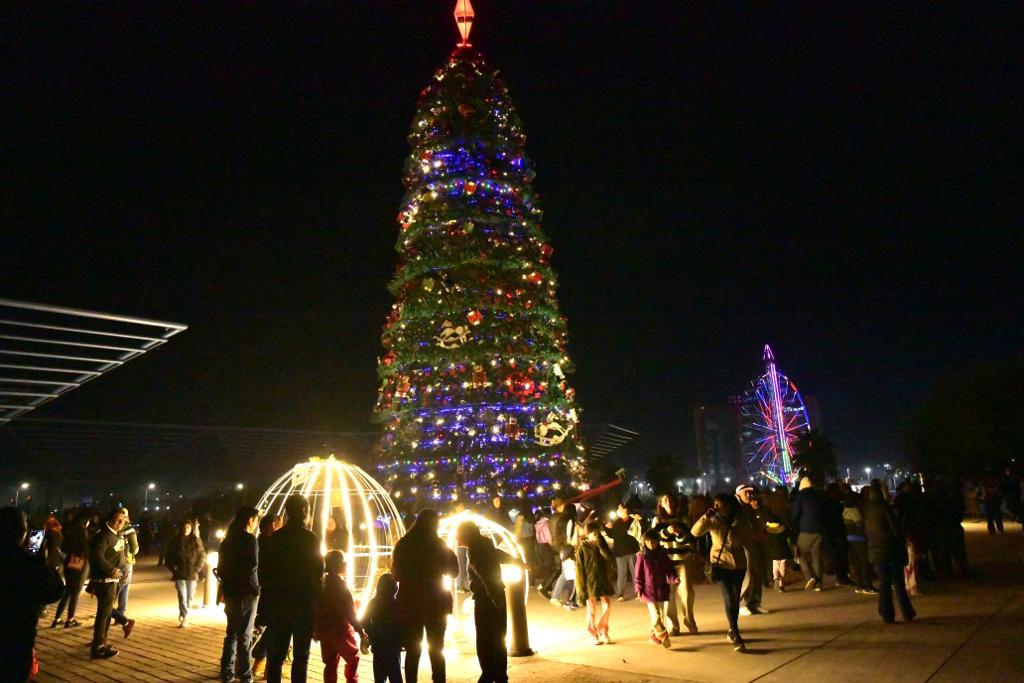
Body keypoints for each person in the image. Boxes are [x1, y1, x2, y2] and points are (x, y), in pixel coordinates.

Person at [261, 495, 325, 683]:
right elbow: (318, 571)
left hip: (279, 603)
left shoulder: (276, 537)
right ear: (305, 511)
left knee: (276, 655)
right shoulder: (310, 538)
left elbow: (265, 570)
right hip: (303, 604)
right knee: (301, 657)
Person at [392, 508, 459, 683]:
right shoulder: (439, 545)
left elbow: (396, 575)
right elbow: (454, 571)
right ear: (434, 525)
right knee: (437, 649)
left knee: (413, 650)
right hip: (435, 601)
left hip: (410, 601)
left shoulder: (404, 544)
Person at [1, 507, 64, 682]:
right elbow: (55, 591)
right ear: (21, 532)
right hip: (15, 641)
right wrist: (40, 559)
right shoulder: (28, 562)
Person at [458, 520, 517, 683]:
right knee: (498, 637)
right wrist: (516, 561)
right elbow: (497, 554)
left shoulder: (475, 550)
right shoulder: (484, 543)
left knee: (485, 640)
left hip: (486, 599)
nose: (456, 538)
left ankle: (488, 675)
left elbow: (484, 574)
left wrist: (494, 597)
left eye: (458, 534)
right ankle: (500, 675)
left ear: (466, 534)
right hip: (496, 595)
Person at [692, 493, 752, 652]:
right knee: (729, 599)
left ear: (729, 505)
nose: (716, 507)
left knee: (735, 599)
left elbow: (750, 538)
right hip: (720, 564)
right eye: (715, 504)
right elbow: (695, 532)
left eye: (719, 504)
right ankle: (736, 635)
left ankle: (732, 629)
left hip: (738, 564)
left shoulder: (740, 519)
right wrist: (705, 516)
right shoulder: (713, 520)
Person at [218, 506, 261, 683]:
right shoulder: (250, 540)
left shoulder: (227, 541)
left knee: (232, 633)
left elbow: (221, 568)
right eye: (256, 521)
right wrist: (255, 589)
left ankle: (227, 671)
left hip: (230, 591)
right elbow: (252, 567)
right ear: (250, 520)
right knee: (245, 635)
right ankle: (245, 675)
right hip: (245, 594)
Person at [864, 486, 916, 623]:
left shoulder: (866, 511)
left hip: (876, 551)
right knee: (898, 583)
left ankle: (887, 614)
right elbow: (895, 529)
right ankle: (907, 612)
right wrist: (903, 540)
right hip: (891, 550)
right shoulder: (885, 508)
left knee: (884, 584)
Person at [315, 550, 365, 683]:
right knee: (353, 658)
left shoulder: (322, 584)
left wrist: (316, 629)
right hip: (340, 631)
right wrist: (361, 631)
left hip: (326, 631)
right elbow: (350, 612)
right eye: (344, 561)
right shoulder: (340, 586)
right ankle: (351, 680)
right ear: (337, 565)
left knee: (330, 664)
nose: (346, 564)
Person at [653, 494, 700, 635]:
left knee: (686, 592)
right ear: (660, 504)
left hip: (682, 559)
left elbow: (690, 540)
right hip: (665, 562)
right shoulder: (658, 520)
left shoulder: (683, 519)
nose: (668, 502)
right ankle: (673, 625)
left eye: (670, 499)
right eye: (664, 500)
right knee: (669, 594)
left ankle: (689, 620)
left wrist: (679, 533)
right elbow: (654, 539)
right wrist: (667, 531)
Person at [89, 507, 128, 659]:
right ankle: (98, 646)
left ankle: (102, 642)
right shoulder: (103, 536)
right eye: (117, 519)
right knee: (103, 614)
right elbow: (96, 555)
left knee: (105, 613)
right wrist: (111, 570)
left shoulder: (116, 535)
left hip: (114, 580)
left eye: (123, 520)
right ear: (110, 519)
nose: (120, 522)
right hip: (106, 580)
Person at [251, 512, 282, 678]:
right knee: (273, 627)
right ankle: (262, 661)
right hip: (270, 592)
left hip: (260, 591)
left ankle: (256, 661)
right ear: (272, 526)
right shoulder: (271, 544)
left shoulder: (257, 542)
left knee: (265, 627)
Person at [633, 528, 675, 649]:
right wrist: (638, 589)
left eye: (653, 541)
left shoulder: (662, 554)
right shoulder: (642, 556)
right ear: (644, 542)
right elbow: (638, 575)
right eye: (648, 542)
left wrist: (674, 578)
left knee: (661, 615)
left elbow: (670, 570)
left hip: (661, 588)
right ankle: (663, 635)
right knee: (656, 615)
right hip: (648, 590)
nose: (650, 544)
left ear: (657, 541)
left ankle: (654, 635)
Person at [576, 520, 615, 645]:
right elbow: (579, 569)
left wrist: (600, 546)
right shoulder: (582, 547)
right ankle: (592, 632)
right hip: (589, 580)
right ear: (588, 533)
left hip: (603, 578)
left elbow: (609, 558)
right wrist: (581, 590)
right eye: (593, 533)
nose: (595, 535)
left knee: (607, 604)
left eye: (597, 532)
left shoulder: (601, 542)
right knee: (591, 608)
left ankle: (603, 629)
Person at [736, 485, 770, 615]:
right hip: (744, 546)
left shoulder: (748, 507)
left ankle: (755, 603)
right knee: (748, 575)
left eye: (751, 492)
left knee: (756, 574)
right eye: (746, 493)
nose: (749, 495)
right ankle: (740, 604)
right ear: (739, 493)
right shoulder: (736, 508)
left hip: (754, 543)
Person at [362, 573, 403, 683]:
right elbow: (402, 624)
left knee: (379, 678)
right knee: (396, 677)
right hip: (393, 646)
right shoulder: (396, 604)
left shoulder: (374, 602)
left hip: (378, 645)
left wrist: (372, 633)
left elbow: (364, 620)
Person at [166, 517, 206, 627]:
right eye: (184, 527)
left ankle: (183, 611)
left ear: (191, 528)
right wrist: (173, 568)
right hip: (180, 573)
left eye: (188, 527)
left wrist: (197, 568)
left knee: (189, 598)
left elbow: (202, 555)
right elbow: (168, 557)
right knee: (182, 595)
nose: (186, 529)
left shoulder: (196, 541)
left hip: (192, 573)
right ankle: (185, 617)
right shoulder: (176, 541)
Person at [52, 513, 89, 628]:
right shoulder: (82, 530)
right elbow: (85, 547)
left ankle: (57, 619)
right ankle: (70, 619)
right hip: (78, 561)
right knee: (76, 592)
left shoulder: (68, 529)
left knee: (68, 591)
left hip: (68, 560)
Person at [791, 477, 827, 591]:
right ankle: (819, 584)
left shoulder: (800, 497)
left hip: (806, 530)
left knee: (800, 554)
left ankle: (810, 577)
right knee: (816, 557)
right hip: (819, 531)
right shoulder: (818, 496)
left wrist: (793, 528)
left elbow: (795, 515)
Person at [109, 508, 138, 638]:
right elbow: (135, 549)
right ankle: (120, 615)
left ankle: (117, 616)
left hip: (120, 564)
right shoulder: (129, 529)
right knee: (123, 589)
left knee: (115, 592)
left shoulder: (118, 529)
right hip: (126, 563)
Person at [605, 503, 639, 601]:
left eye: (620, 509)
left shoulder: (633, 520)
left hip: (632, 550)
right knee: (621, 574)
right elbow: (612, 536)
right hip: (620, 552)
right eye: (618, 509)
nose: (618, 510)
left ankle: (638, 592)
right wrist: (607, 529)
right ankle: (620, 594)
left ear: (626, 510)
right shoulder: (617, 522)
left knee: (635, 573)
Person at [845, 491, 876, 594]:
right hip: (859, 539)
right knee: (863, 562)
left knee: (857, 563)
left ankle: (859, 585)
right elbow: (860, 525)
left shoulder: (845, 510)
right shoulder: (854, 511)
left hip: (850, 538)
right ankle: (867, 586)